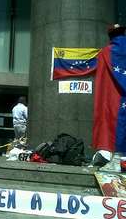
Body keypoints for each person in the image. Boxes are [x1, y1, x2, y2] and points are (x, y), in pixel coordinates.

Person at [54, 23, 126, 166]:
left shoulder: (104, 53)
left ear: (110, 36)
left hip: (111, 100)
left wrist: (59, 64)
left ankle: (114, 157)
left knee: (111, 124)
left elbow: (84, 65)